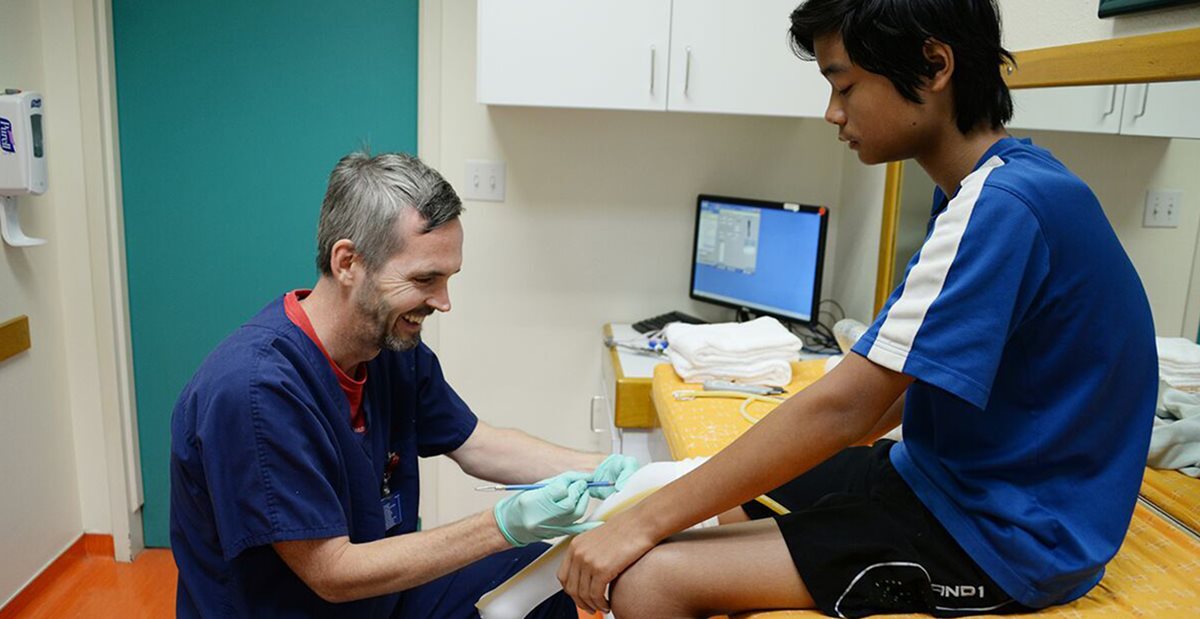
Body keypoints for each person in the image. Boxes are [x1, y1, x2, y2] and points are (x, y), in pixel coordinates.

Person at [558, 1, 1158, 617]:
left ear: (934, 66)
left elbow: (849, 409)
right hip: (936, 479)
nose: (833, 112)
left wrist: (638, 528)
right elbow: (894, 390)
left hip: (1006, 539)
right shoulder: (993, 189)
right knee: (702, 504)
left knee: (648, 579)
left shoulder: (1005, 207)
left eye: (844, 86)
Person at [169, 151, 639, 618]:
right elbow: (331, 572)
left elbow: (476, 443)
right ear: (347, 262)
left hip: (375, 602)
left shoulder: (389, 349)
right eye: (425, 279)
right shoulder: (256, 391)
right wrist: (502, 525)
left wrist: (606, 472)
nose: (443, 302)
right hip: (301, 606)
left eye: (448, 279)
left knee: (535, 579)